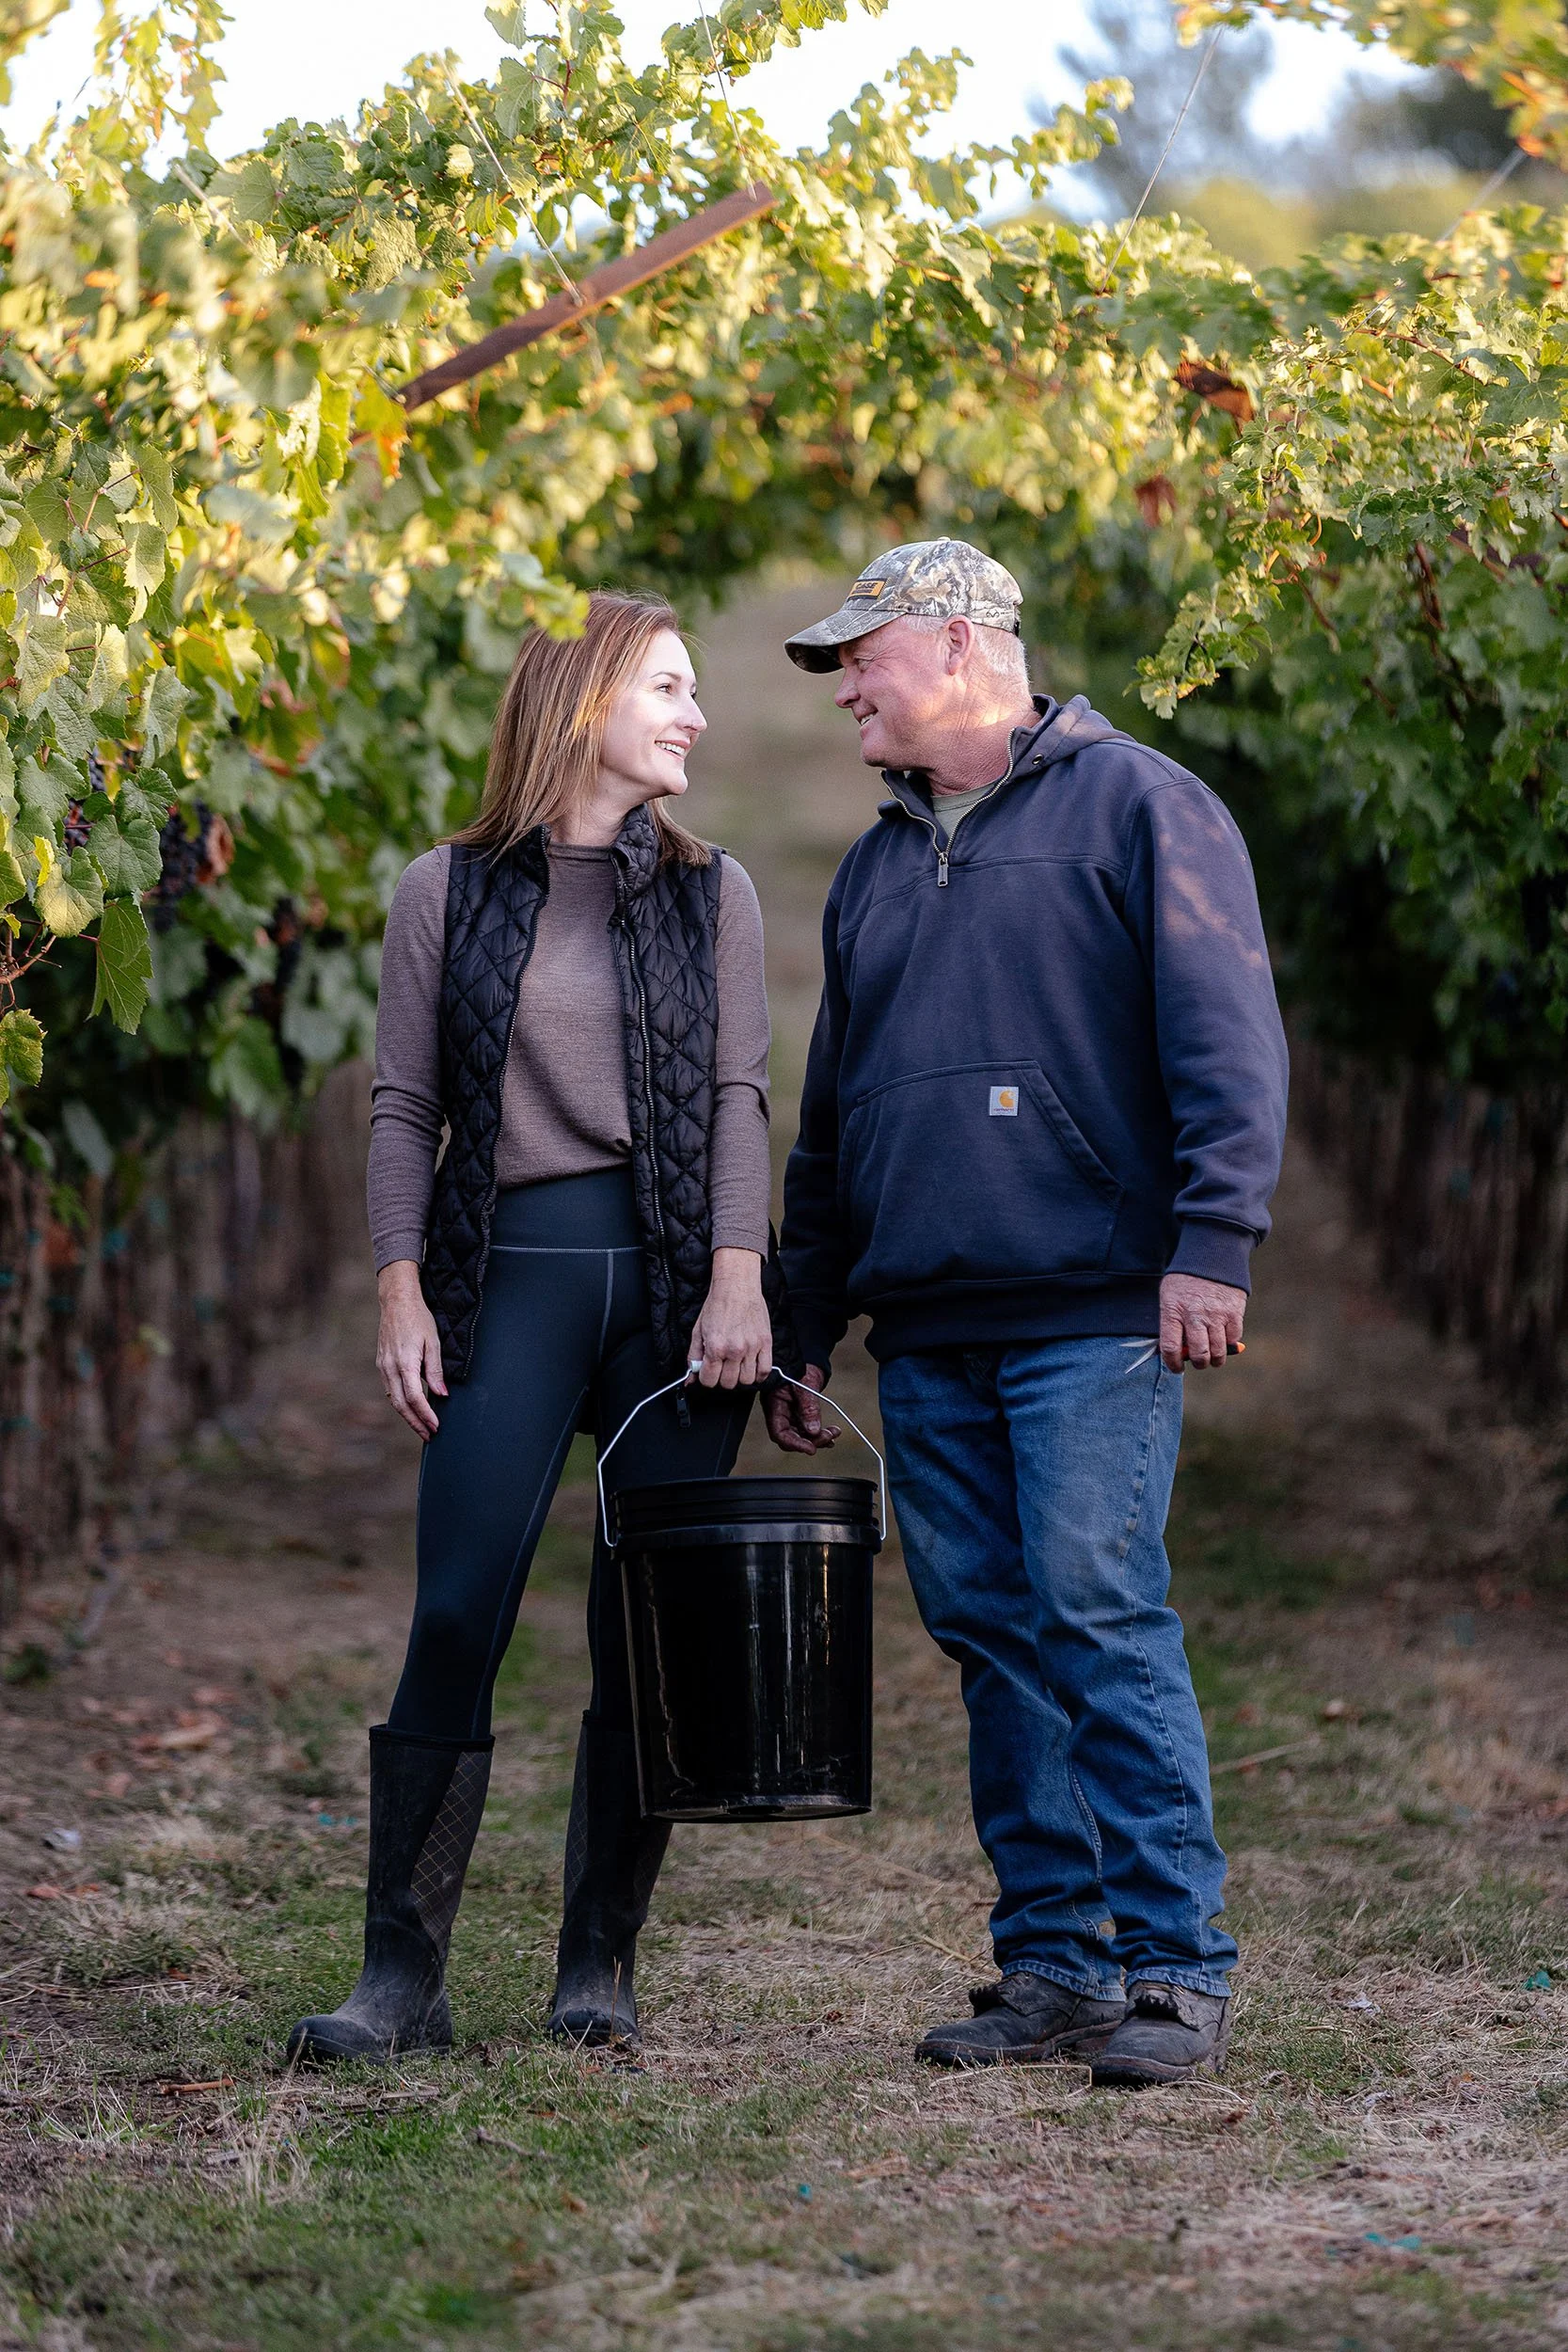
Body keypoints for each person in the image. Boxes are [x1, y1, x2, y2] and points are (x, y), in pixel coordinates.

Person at [765, 540, 1289, 2086]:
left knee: (1096, 1616)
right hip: (929, 1327)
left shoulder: (1143, 807)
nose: (845, 684)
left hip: (1092, 1313)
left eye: (861, 654)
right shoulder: (872, 862)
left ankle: (1175, 1969)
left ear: (955, 642)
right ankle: (1051, 1963)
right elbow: (830, 1119)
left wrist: (1213, 1243)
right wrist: (808, 1313)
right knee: (993, 1637)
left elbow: (1226, 1039)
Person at [290, 592, 798, 2064]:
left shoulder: (717, 892)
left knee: (650, 1630)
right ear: (583, 705)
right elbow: (402, 1105)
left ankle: (599, 1963)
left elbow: (734, 1103)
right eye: (670, 688)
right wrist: (398, 1285)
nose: (695, 715)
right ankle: (402, 1978)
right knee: (456, 1612)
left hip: (670, 1287)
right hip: (504, 1269)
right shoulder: (440, 890)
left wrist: (738, 1277)